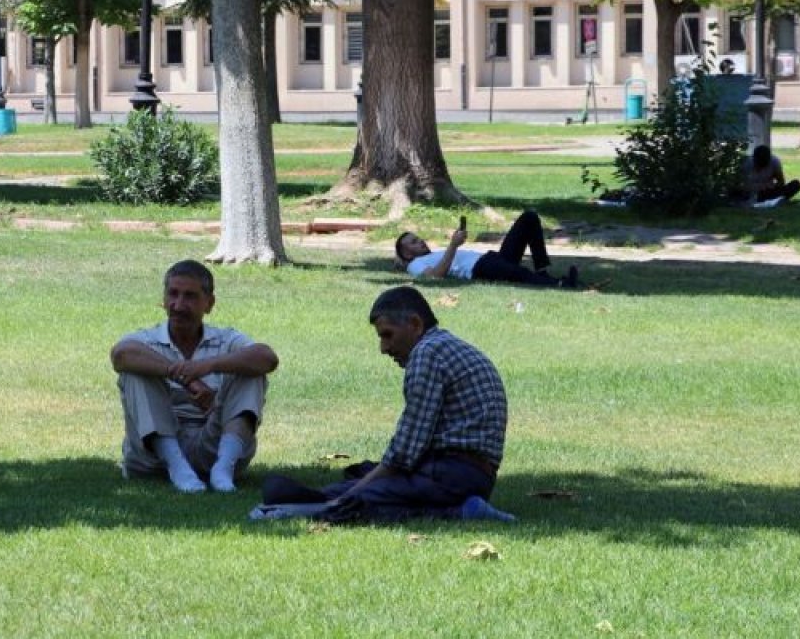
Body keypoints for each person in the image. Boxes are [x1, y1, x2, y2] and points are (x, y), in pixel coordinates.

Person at [248, 286, 515, 523]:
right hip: (465, 473)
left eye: (388, 335)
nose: (383, 348)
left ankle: (464, 512)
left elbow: (404, 453)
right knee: (360, 483)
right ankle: (305, 500)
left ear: (415, 323)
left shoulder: (427, 354)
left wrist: (353, 493)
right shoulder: (445, 346)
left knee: (359, 502)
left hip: (452, 475)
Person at [110, 260, 278, 493]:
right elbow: (120, 354)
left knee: (251, 371)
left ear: (209, 304)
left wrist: (207, 366)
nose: (178, 305)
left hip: (213, 444)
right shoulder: (147, 340)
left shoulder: (226, 339)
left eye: (190, 296)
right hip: (154, 458)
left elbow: (267, 357)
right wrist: (185, 378)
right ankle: (178, 468)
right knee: (136, 373)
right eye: (173, 294)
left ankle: (223, 469)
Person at [395, 210, 578, 288]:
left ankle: (542, 271)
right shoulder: (415, 265)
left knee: (529, 218)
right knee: (518, 274)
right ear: (406, 253)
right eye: (413, 243)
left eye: (419, 239)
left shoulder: (433, 254)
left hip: (491, 258)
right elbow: (435, 277)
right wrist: (453, 245)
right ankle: (560, 284)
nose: (421, 242)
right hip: (480, 268)